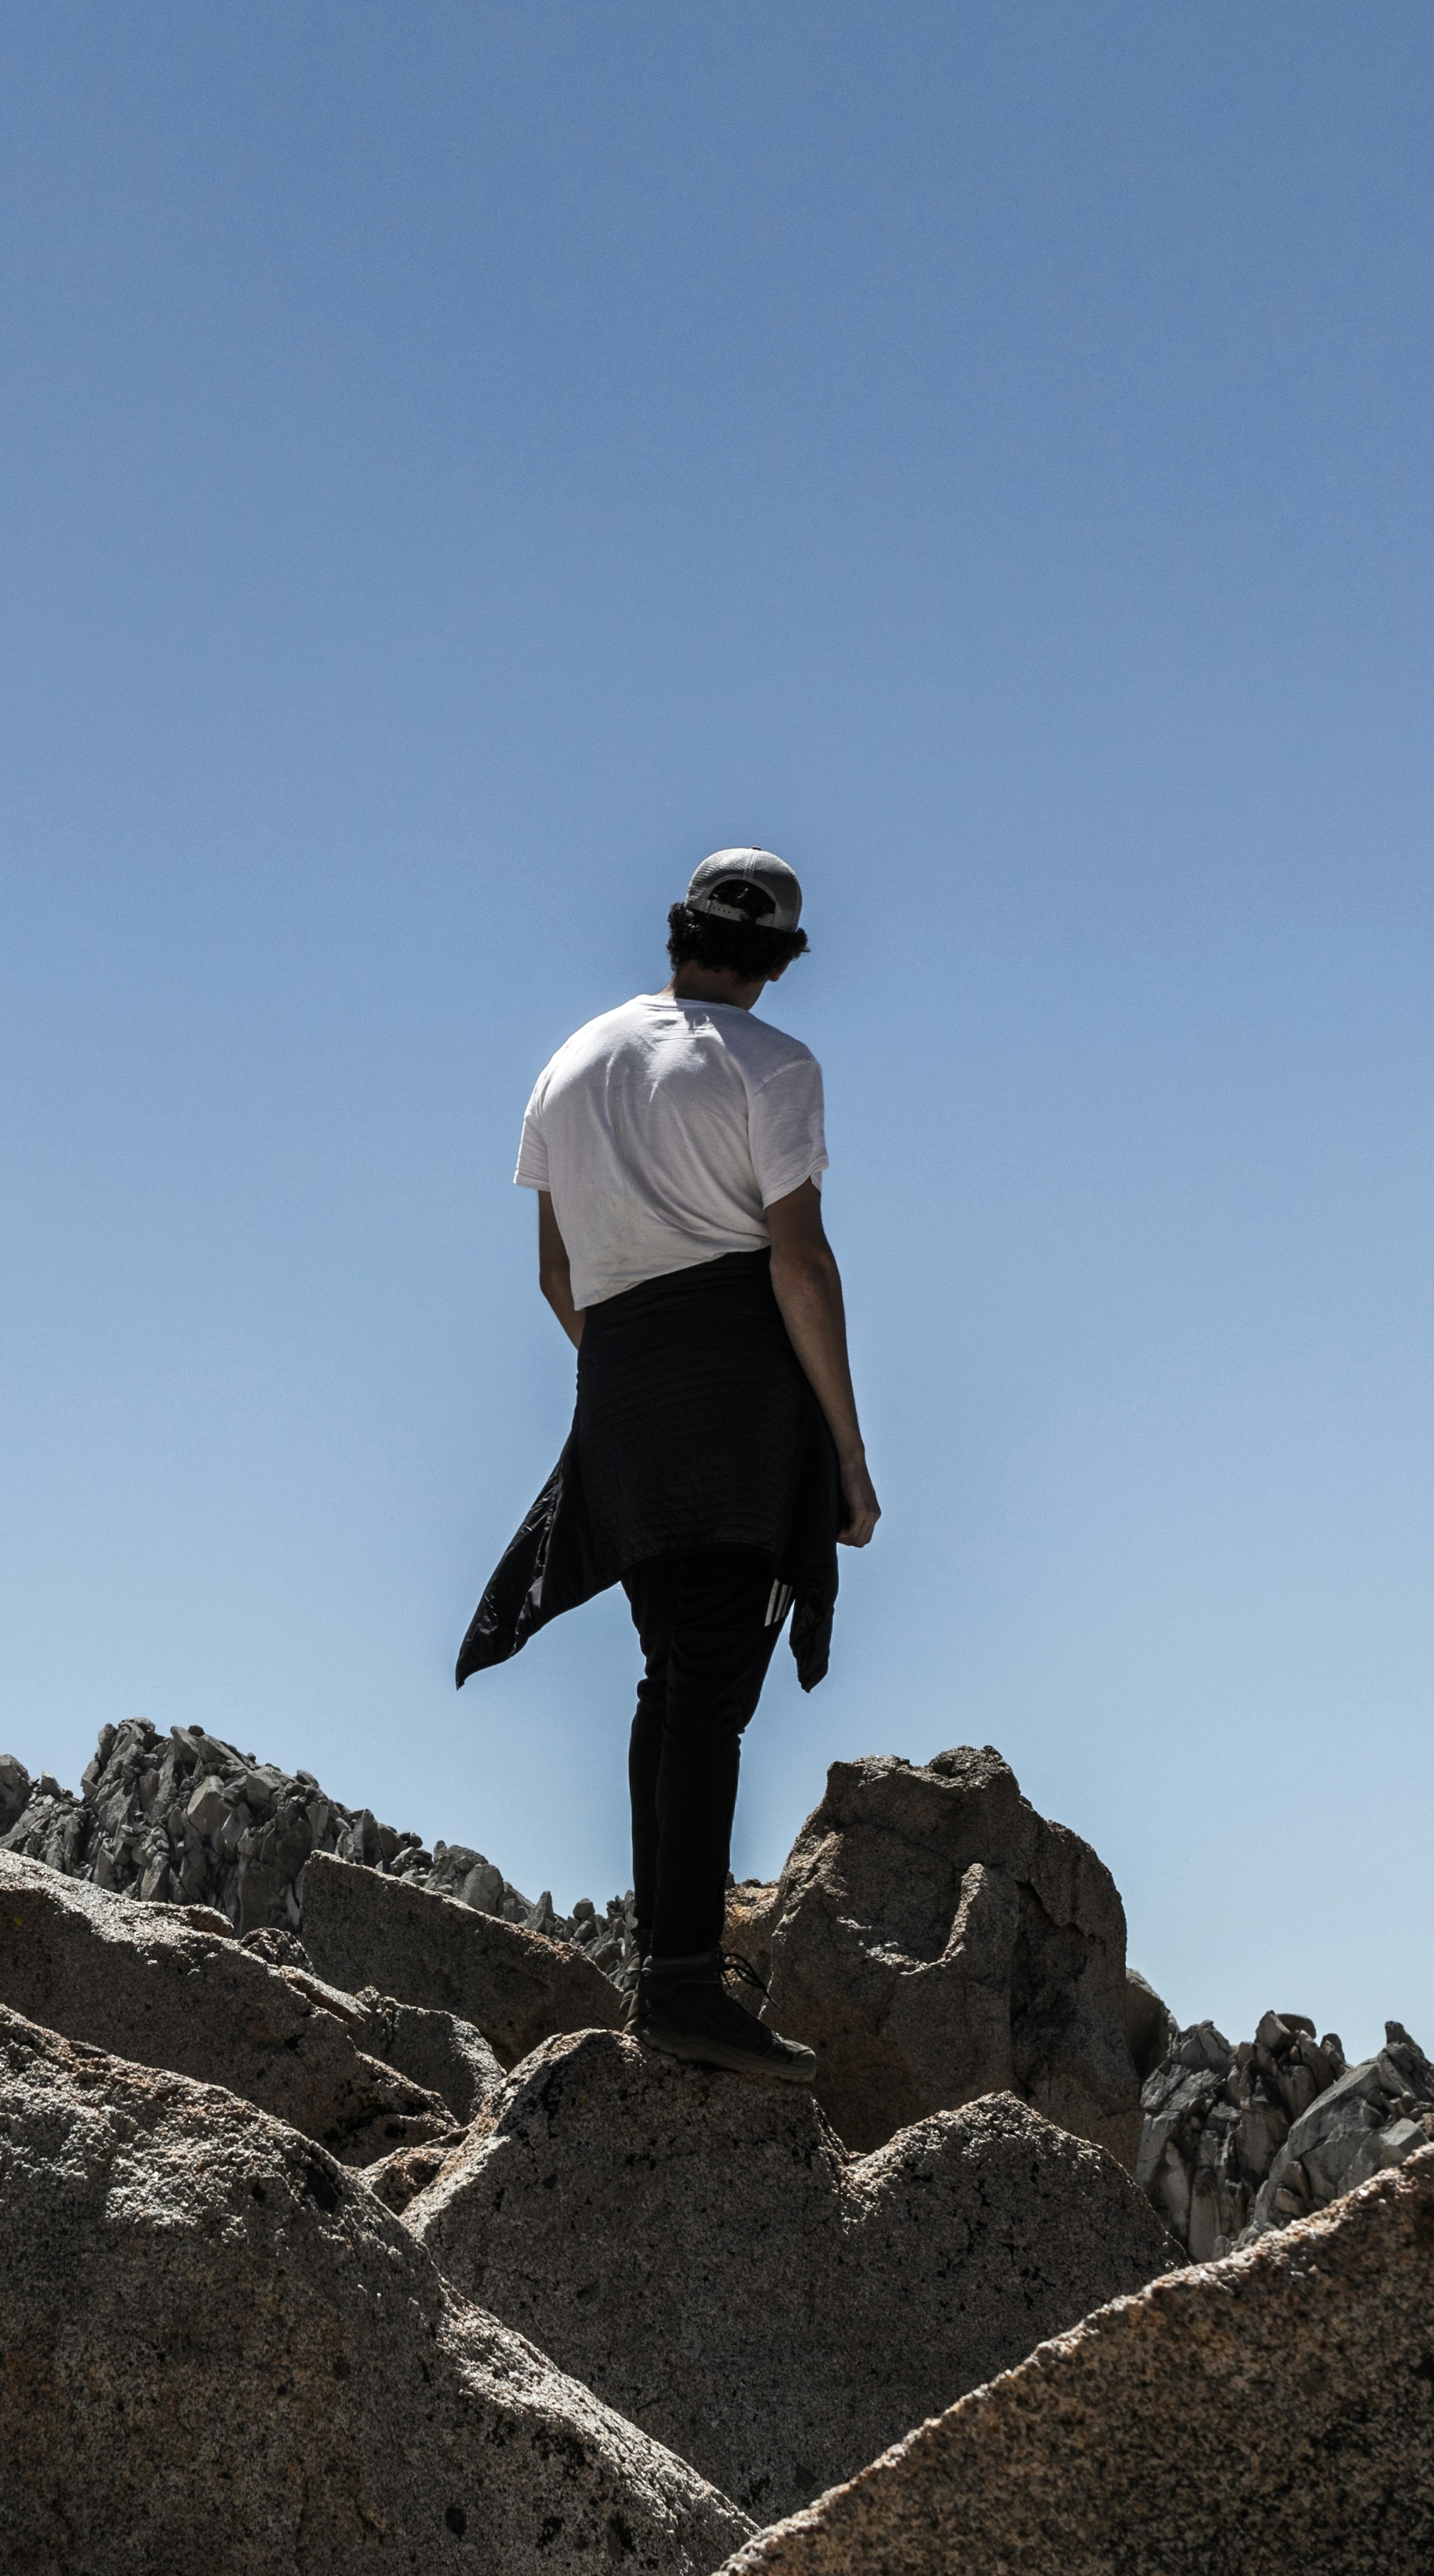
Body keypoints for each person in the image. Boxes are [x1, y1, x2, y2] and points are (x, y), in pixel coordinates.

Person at [459, 849, 880, 2083]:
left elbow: (555, 1273)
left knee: (671, 1679)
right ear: (781, 961)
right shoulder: (777, 1066)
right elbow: (798, 1264)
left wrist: (641, 1378)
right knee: (711, 1689)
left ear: (676, 932)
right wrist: (847, 1455)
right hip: (740, 1394)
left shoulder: (570, 1061)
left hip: (624, 1386)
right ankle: (685, 1987)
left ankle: (671, 1967)